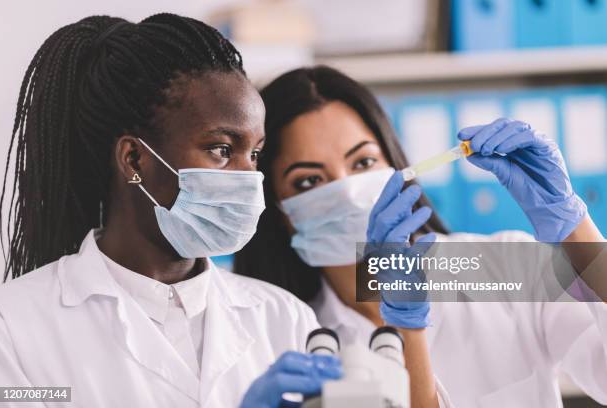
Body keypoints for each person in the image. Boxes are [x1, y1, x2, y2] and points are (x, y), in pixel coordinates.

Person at [0, 15, 344, 408]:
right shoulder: (13, 327)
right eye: (222, 150)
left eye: (255, 154)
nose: (249, 176)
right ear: (135, 160)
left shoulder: (285, 320)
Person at [234, 66, 607, 407]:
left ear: (396, 166)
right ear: (278, 210)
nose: (347, 192)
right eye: (309, 181)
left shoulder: (506, 265)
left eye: (363, 162)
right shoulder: (288, 335)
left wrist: (575, 229)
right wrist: (406, 328)